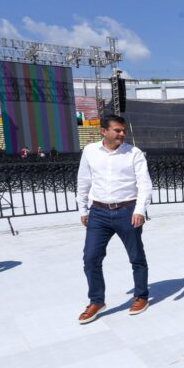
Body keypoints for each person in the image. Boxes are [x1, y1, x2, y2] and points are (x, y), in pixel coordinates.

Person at [76, 114, 154, 324]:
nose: (122, 134)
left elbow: (144, 183)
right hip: (98, 212)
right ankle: (96, 301)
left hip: (127, 211)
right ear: (104, 131)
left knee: (136, 256)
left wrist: (139, 210)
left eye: (123, 131)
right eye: (117, 130)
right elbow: (83, 181)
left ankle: (141, 296)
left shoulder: (133, 153)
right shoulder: (90, 151)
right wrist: (83, 210)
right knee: (91, 258)